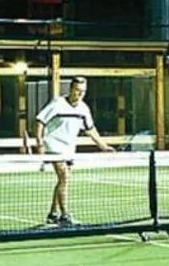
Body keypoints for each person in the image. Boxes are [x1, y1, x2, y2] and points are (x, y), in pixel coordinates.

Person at [33, 76, 112, 226]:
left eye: (83, 91)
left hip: (69, 149)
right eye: (77, 90)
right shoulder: (57, 104)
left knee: (63, 180)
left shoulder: (83, 109)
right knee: (64, 177)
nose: (80, 94)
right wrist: (40, 143)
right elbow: (40, 121)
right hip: (54, 146)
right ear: (70, 89)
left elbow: (90, 129)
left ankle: (53, 214)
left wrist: (103, 146)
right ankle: (64, 215)